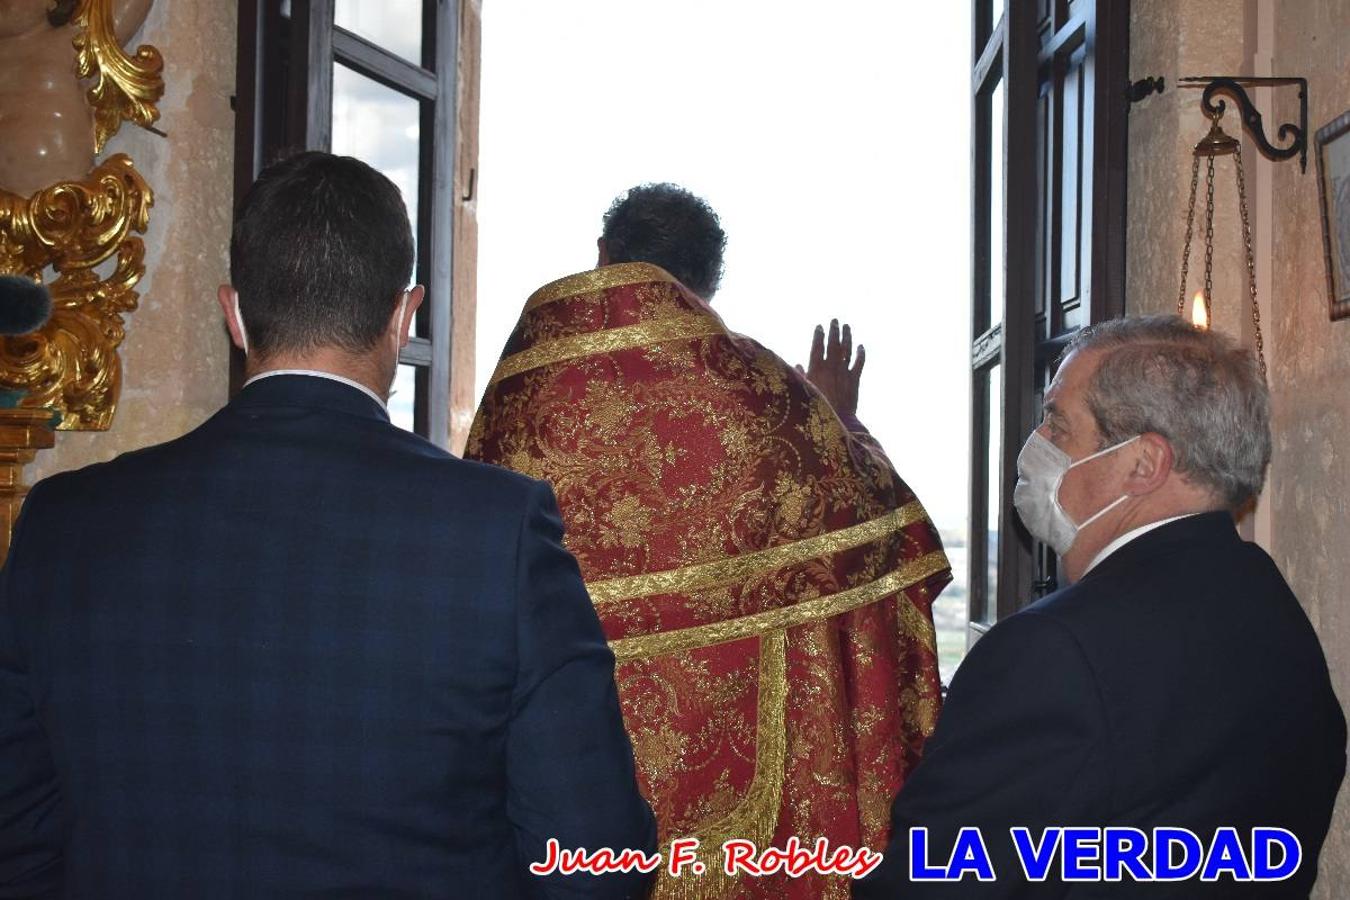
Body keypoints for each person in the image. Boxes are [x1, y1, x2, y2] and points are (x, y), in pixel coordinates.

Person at [0, 151, 656, 899]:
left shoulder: (61, 526)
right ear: (403, 319)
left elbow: (17, 839)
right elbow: (596, 861)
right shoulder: (496, 532)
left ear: (235, 313)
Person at [467, 183, 951, 899]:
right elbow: (885, 532)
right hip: (737, 789)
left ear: (603, 257)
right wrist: (836, 418)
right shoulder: (765, 396)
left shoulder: (525, 390)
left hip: (557, 775)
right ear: (709, 284)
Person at [856, 316, 1346, 898]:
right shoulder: (1265, 597)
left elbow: (925, 884)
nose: (1036, 444)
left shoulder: (1049, 651)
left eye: (1058, 424)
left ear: (1144, 464)